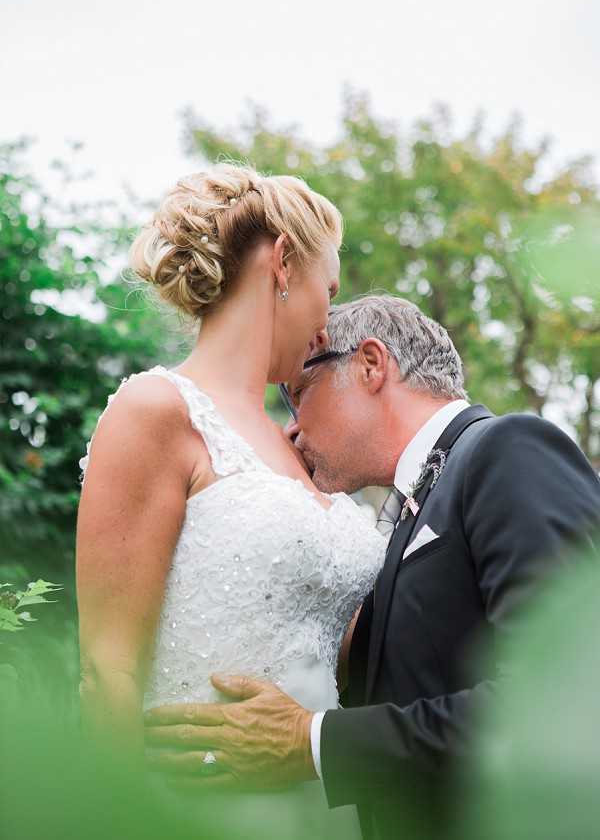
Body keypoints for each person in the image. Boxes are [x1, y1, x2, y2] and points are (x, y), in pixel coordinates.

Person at [145, 294, 600, 840]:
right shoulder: (411, 509)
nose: (290, 431)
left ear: (369, 364)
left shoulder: (509, 449)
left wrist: (312, 742)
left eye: (297, 396)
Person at [76, 165, 387, 840]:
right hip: (199, 811)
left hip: (324, 807)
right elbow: (108, 670)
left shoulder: (297, 448)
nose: (327, 323)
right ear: (281, 263)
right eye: (326, 291)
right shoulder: (156, 410)